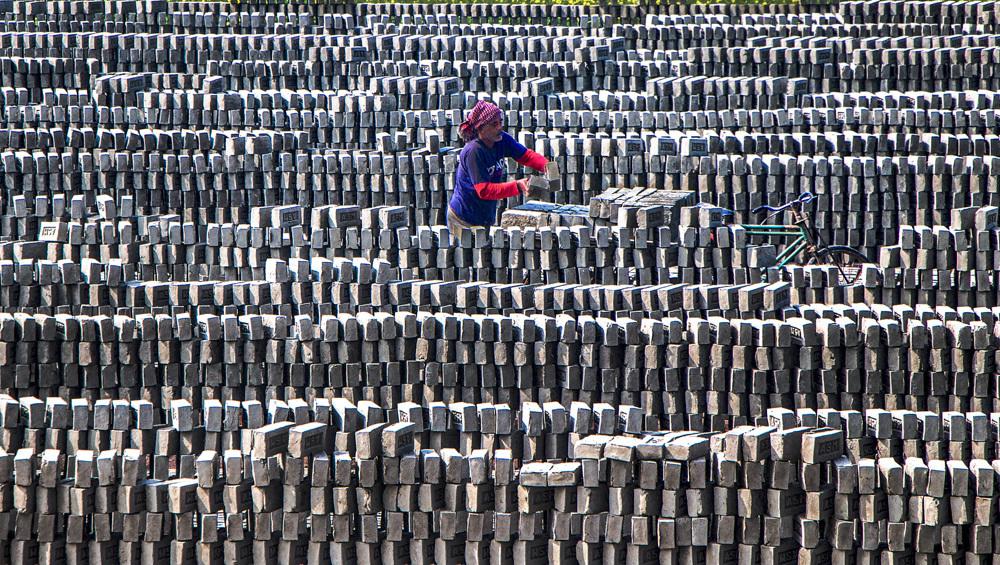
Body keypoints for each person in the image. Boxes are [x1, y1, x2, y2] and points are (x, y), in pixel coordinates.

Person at [447, 100, 549, 242]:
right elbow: (484, 190)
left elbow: (525, 156)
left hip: (484, 216)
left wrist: (547, 166)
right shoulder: (474, 151)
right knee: (466, 259)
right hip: (463, 218)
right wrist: (517, 186)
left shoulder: (501, 140)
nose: (500, 127)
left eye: (500, 122)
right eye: (494, 124)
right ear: (480, 128)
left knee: (483, 258)